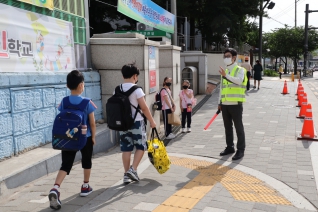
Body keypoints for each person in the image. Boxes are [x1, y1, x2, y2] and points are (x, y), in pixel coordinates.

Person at [48, 70, 97, 210]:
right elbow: (92, 123)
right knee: (87, 161)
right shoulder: (87, 102)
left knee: (66, 164)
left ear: (68, 86)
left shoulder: (64, 101)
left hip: (68, 138)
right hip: (85, 137)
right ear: (81, 85)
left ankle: (55, 188)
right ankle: (85, 186)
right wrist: (93, 137)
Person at [117, 64, 156, 184]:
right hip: (136, 122)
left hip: (123, 124)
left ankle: (126, 175)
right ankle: (133, 170)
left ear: (123, 75)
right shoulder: (137, 90)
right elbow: (144, 108)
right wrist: (152, 121)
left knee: (126, 148)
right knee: (141, 146)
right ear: (135, 76)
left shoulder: (117, 89)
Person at [218, 48, 247, 161]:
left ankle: (241, 149)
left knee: (238, 127)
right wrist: (219, 102)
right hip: (225, 104)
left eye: (228, 56)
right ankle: (230, 147)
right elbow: (221, 88)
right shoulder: (224, 71)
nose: (226, 58)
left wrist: (226, 76)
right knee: (227, 127)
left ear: (234, 57)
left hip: (236, 103)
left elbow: (239, 81)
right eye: (224, 56)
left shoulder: (240, 70)